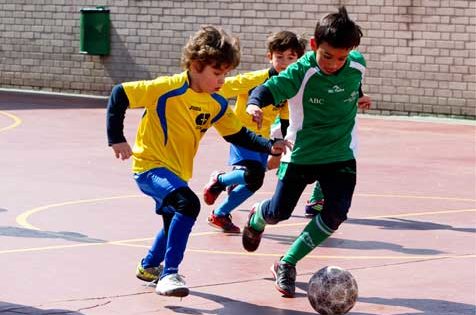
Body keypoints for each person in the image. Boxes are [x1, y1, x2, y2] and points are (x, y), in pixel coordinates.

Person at [106, 25, 289, 298]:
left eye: (225, 73)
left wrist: (268, 145)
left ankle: (148, 267)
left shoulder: (215, 102)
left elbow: (237, 134)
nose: (222, 80)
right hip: (149, 166)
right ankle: (169, 274)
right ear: (195, 65)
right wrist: (116, 137)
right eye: (217, 73)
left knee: (173, 221)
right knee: (188, 204)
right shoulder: (167, 88)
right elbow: (119, 94)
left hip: (178, 171)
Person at [242, 6, 370, 297]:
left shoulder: (357, 64)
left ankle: (287, 262)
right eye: (327, 56)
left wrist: (360, 97)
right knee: (279, 213)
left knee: (335, 214)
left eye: (341, 57)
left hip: (340, 153)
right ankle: (258, 216)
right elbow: (267, 89)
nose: (334, 64)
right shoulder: (300, 72)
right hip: (301, 153)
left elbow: (353, 82)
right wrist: (253, 104)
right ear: (313, 46)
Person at [202, 31, 306, 233]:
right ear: (270, 57)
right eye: (279, 57)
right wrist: (219, 113)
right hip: (241, 133)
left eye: (291, 58)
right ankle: (220, 180)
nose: (284, 62)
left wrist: (282, 141)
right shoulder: (254, 79)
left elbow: (285, 117)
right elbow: (220, 88)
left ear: (298, 59)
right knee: (254, 173)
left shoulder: (288, 87)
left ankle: (220, 214)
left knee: (255, 181)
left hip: (262, 139)